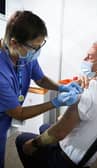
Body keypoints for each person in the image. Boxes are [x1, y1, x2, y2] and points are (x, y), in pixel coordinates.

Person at [15, 41, 97, 168]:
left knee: (22, 140)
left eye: (90, 57)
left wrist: (33, 144)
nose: (84, 59)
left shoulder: (89, 92)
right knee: (44, 126)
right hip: (88, 152)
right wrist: (72, 86)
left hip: (67, 159)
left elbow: (60, 132)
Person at [0, 10, 83, 168]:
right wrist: (55, 102)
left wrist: (62, 87)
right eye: (34, 48)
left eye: (40, 46)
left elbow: (41, 79)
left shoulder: (24, 56)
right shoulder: (1, 71)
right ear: (14, 42)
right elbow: (19, 113)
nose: (37, 52)